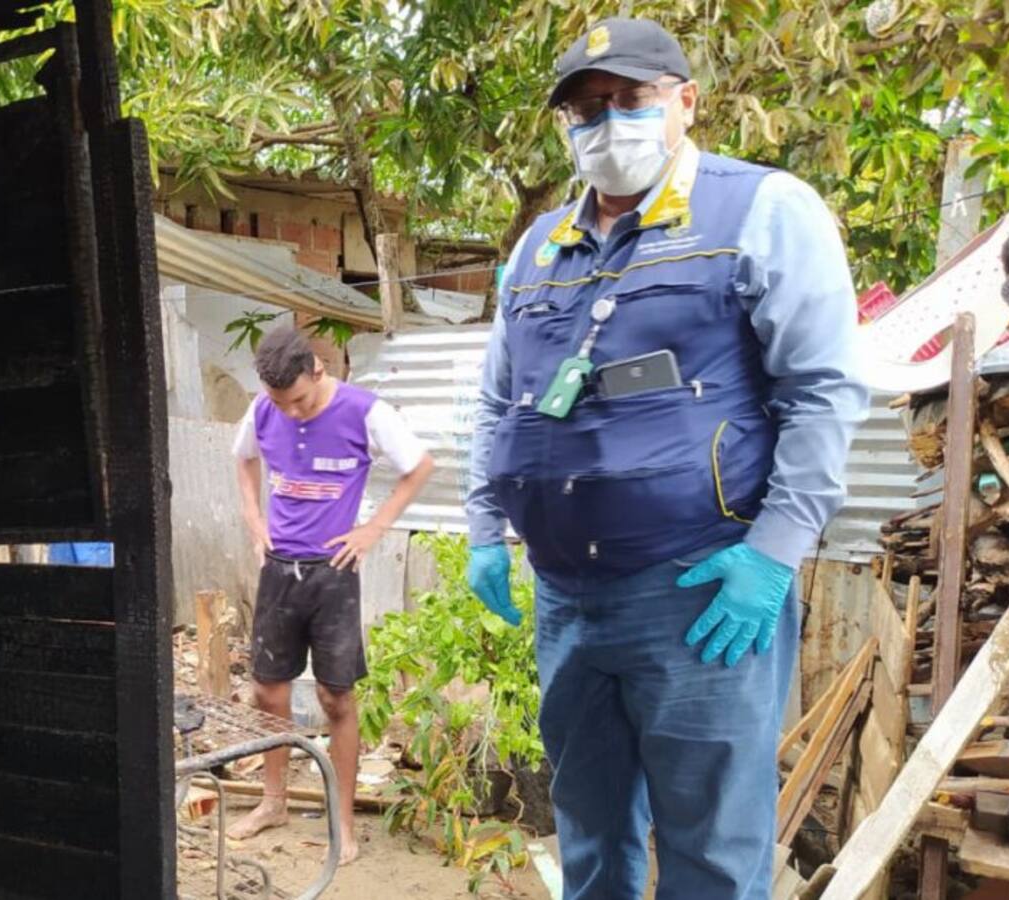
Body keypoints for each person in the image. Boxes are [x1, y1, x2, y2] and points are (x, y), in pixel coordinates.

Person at [465, 18, 869, 900]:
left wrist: (773, 554)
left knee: (712, 855)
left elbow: (824, 391)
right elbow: (500, 400)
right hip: (567, 599)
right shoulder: (538, 248)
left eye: (630, 98)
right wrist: (484, 527)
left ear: (686, 100)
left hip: (699, 594)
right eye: (584, 109)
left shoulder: (764, 210)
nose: (605, 123)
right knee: (590, 836)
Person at [229, 327, 434, 865]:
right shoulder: (263, 409)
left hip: (334, 573)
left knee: (336, 697)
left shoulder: (366, 412)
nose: (291, 412)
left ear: (317, 370)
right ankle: (273, 801)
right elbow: (244, 461)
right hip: (279, 569)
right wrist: (253, 519)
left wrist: (373, 529)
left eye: (298, 400)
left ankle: (342, 822)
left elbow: (419, 467)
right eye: (280, 402)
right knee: (267, 690)